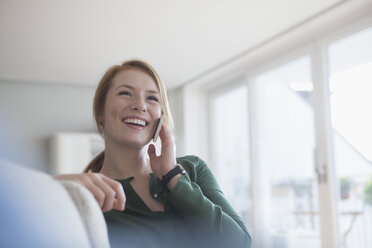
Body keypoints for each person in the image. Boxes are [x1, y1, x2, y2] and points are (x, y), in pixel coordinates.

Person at [54, 59, 252, 248]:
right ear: (101, 112)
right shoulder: (88, 196)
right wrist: (57, 187)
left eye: (152, 98)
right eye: (125, 93)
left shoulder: (192, 169)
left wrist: (173, 176)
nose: (140, 105)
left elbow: (239, 242)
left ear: (161, 118)